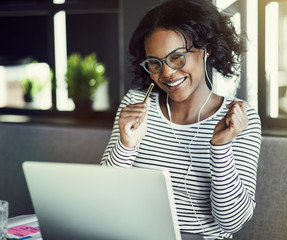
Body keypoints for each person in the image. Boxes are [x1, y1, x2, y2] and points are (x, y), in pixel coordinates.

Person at [100, 0, 261, 239]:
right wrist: (127, 146)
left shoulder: (237, 119)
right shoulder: (135, 106)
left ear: (205, 50)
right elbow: (102, 196)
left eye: (177, 57)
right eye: (154, 63)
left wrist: (221, 147)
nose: (166, 73)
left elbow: (232, 223)